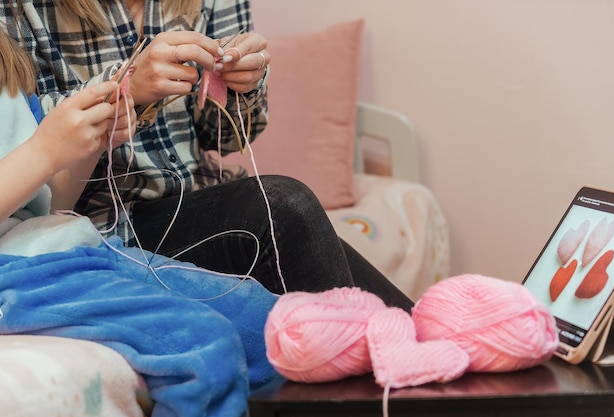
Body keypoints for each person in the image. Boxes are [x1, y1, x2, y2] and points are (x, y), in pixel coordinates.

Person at [0, 0, 414, 312]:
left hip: (193, 200)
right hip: (100, 225)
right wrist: (128, 86)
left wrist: (242, 83)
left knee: (290, 222)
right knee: (283, 209)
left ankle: (439, 360)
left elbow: (228, 138)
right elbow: (26, 134)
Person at [0, 27, 282, 417]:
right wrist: (44, 152)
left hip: (64, 247)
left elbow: (48, 202)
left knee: (267, 324)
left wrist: (92, 143)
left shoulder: (7, 68)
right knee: (205, 344)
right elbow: (37, 162)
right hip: (17, 274)